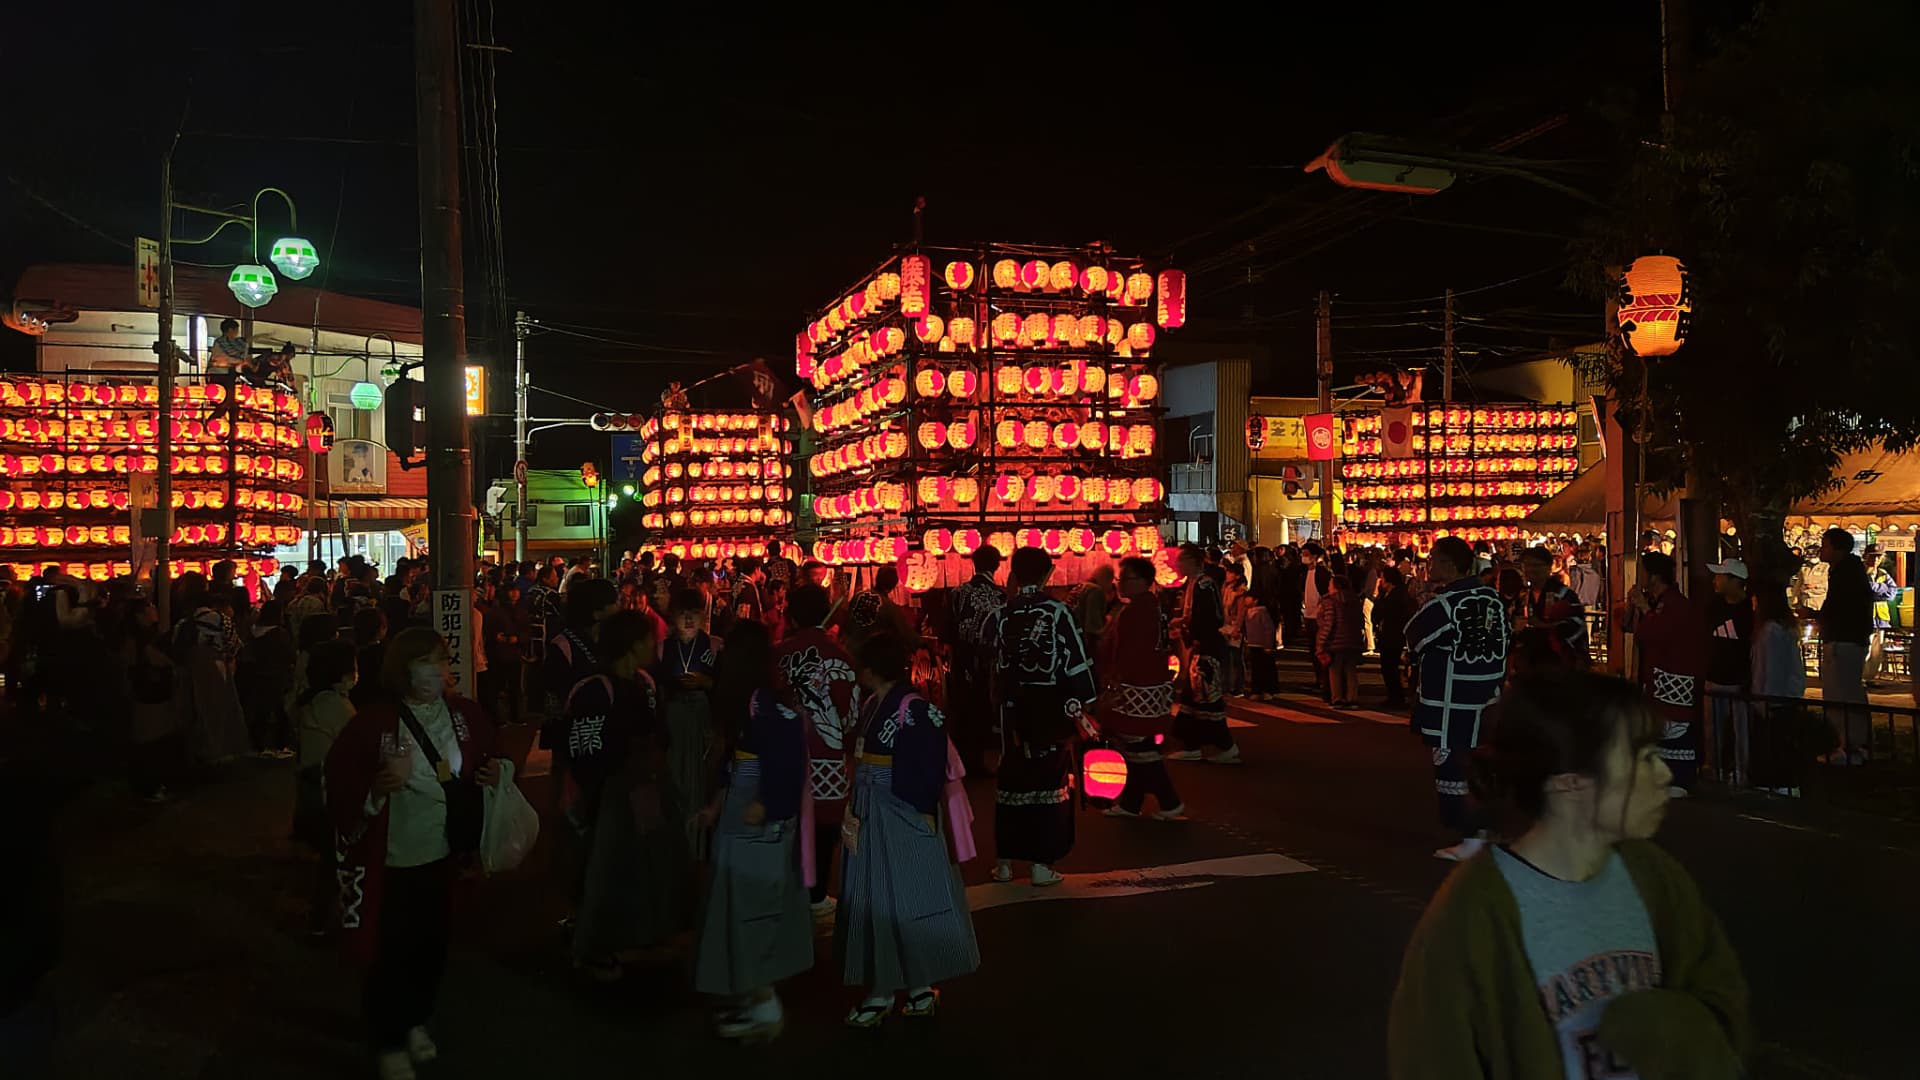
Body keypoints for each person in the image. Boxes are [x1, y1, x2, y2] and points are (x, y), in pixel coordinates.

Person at [1387, 670, 1749, 1080]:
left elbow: (1724, 1002)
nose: (1663, 774)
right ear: (1570, 783)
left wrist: (1668, 1024)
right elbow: (1432, 1059)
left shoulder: (1653, 876)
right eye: (1643, 757)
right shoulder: (1472, 916)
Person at [323, 627, 505, 1080]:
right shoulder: (374, 723)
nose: (437, 671)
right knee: (390, 953)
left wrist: (495, 773)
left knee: (431, 947)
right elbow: (340, 782)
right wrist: (374, 792)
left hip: (443, 856)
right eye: (426, 662)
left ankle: (416, 1018)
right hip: (393, 859)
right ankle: (388, 1037)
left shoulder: (464, 714)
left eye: (441, 660)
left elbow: (492, 756)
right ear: (403, 670)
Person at [836, 631, 980, 1026]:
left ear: (871, 668)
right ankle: (909, 988)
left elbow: (927, 769)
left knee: (891, 897)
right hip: (879, 805)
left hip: (898, 809)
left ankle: (899, 988)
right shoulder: (880, 705)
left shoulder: (912, 709)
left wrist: (915, 807)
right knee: (897, 897)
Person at [692, 620, 811, 1042]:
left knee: (752, 910)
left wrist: (768, 804)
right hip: (743, 818)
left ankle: (762, 1003)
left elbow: (787, 766)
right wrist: (719, 805)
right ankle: (750, 996)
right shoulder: (758, 705)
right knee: (744, 908)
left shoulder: (766, 709)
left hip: (757, 824)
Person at [565, 610, 686, 981]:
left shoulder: (645, 683)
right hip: (610, 794)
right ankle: (593, 948)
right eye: (650, 639)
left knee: (640, 864)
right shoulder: (595, 689)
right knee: (605, 869)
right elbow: (585, 751)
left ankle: (632, 936)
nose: (655, 645)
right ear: (633, 645)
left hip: (641, 789)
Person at [990, 546, 1098, 886]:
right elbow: (1076, 661)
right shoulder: (1057, 612)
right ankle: (1041, 862)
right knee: (1048, 781)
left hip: (1010, 712)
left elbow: (989, 661)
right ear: (1047, 574)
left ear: (1013, 574)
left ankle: (1004, 863)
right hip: (1048, 709)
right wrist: (1086, 701)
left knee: (1011, 779)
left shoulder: (1001, 614)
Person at [1407, 536, 1510, 861]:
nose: (1429, 565)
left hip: (1451, 702)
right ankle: (1487, 831)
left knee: (1453, 767)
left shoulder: (1446, 604)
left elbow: (1414, 636)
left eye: (1433, 559)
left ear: (1449, 565)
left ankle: (1470, 835)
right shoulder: (1493, 599)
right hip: (1488, 697)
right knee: (1484, 768)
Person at [772, 584, 859, 920]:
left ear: (792, 615)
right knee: (824, 825)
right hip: (827, 755)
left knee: (787, 820)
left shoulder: (778, 654)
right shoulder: (839, 656)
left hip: (785, 751)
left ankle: (786, 889)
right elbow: (850, 714)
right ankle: (816, 892)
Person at [1097, 556, 1185, 819]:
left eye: (1126, 579)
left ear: (1143, 581)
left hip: (1137, 685)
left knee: (1138, 745)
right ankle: (1131, 803)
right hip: (1149, 684)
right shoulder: (1150, 606)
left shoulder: (1138, 610)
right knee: (1135, 743)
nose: (1120, 584)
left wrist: (1115, 678)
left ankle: (1169, 801)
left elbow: (1130, 651)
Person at [294, 639, 357, 936]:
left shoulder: (312, 700)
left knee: (331, 860)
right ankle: (327, 920)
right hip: (325, 792)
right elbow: (355, 744)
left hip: (311, 791)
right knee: (335, 859)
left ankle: (323, 917)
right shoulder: (333, 705)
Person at [1630, 552, 1706, 797]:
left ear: (1653, 577)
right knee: (1660, 730)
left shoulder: (1676, 605)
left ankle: (1679, 778)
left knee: (1675, 729)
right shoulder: (1660, 603)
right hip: (1658, 678)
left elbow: (1659, 634)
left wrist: (1644, 609)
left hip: (1674, 678)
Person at [658, 587, 720, 859]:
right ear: (673, 616)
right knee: (674, 781)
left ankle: (698, 846)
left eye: (694, 613)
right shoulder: (662, 648)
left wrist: (707, 683)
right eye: (682, 613)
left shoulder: (715, 646)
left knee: (702, 782)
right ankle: (676, 846)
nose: (688, 620)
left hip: (703, 724)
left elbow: (724, 689)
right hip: (674, 722)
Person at [1168, 562, 1241, 763]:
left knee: (1208, 699)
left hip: (1207, 648)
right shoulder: (1194, 583)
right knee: (1192, 700)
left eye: (1183, 560)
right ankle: (1191, 744)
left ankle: (1226, 745)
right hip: (1201, 647)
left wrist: (1190, 628)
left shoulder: (1204, 584)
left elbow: (1208, 617)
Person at [1812, 528, 1873, 765]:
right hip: (1845, 639)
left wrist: (1817, 615)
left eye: (1825, 545)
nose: (1821, 550)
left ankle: (1851, 746)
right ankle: (1848, 745)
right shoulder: (1846, 571)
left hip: (1844, 640)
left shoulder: (1847, 574)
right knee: (1842, 693)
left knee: (1843, 694)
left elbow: (1839, 607)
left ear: (1838, 549)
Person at [945, 546, 1007, 774]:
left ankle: (961, 761)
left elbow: (949, 631)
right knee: (982, 710)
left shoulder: (958, 593)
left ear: (973, 563)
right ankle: (977, 762)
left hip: (962, 659)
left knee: (962, 709)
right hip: (988, 664)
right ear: (997, 565)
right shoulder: (1001, 596)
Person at [1749, 585, 1808, 795]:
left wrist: (1765, 699)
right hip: (1785, 696)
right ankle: (1784, 784)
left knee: (1775, 744)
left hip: (1773, 698)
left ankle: (1780, 784)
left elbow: (1770, 667)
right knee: (1782, 744)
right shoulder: (1786, 629)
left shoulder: (1770, 631)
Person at [1703, 559, 1755, 786]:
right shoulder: (1713, 606)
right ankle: (1714, 769)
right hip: (1714, 677)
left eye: (1720, 576)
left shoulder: (1750, 611)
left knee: (1741, 731)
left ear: (1735, 581)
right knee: (1712, 730)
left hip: (1738, 680)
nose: (1715, 580)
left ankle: (1742, 773)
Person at [1513, 545, 1590, 668]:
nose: (1530, 570)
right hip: (1531, 662)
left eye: (1535, 565)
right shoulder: (1523, 595)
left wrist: (1545, 626)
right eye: (1526, 565)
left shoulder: (1563, 594)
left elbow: (1578, 625)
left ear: (1549, 567)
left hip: (1559, 662)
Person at [1316, 567, 1367, 709]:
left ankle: (1337, 698)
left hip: (1335, 641)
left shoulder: (1330, 601)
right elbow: (1360, 621)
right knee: (1351, 670)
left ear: (1336, 586)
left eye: (1330, 584)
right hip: (1352, 640)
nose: (1328, 587)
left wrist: (1321, 642)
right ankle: (1352, 698)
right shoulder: (1355, 600)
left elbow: (1328, 624)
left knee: (1335, 671)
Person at [1373, 566, 1412, 710]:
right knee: (1387, 667)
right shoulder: (1386, 594)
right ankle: (1393, 696)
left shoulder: (1398, 595)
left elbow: (1396, 615)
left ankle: (1396, 697)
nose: (1381, 581)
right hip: (1386, 634)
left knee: (1390, 667)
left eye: (1383, 578)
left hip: (1393, 635)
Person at [1863, 548, 1899, 688]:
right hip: (1866, 617)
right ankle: (1860, 678)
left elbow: (1892, 593)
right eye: (1873, 556)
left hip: (1881, 618)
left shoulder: (1883, 573)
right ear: (1865, 556)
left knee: (1877, 652)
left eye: (1879, 557)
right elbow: (1865, 590)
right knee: (1865, 650)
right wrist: (1881, 588)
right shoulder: (1860, 573)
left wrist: (1876, 588)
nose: (1876, 560)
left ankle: (1870, 678)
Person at [1073, 563, 1117, 664]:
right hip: (1085, 647)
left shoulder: (1080, 587)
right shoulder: (1096, 591)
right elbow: (1094, 628)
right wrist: (1109, 620)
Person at [1243, 589, 1280, 702]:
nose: (1245, 599)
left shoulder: (1262, 613)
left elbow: (1269, 629)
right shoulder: (1247, 612)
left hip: (1262, 645)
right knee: (1256, 669)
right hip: (1252, 644)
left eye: (1248, 597)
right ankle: (1256, 690)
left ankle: (1268, 690)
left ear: (1255, 600)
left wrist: (1268, 645)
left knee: (1265, 668)